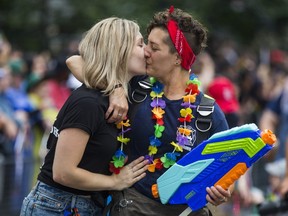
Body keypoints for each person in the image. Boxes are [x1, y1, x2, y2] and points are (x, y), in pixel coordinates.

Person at [67, 7, 232, 216]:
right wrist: (115, 88)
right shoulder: (136, 87)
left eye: (154, 48)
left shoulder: (208, 111)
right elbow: (75, 61)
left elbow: (228, 172)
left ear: (178, 58)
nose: (146, 51)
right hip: (133, 207)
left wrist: (222, 191)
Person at [19, 17, 149, 216]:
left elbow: (75, 60)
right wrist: (114, 182)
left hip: (84, 205)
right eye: (140, 44)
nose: (147, 50)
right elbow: (63, 172)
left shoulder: (128, 88)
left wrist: (115, 87)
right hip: (56, 207)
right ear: (120, 51)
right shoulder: (88, 102)